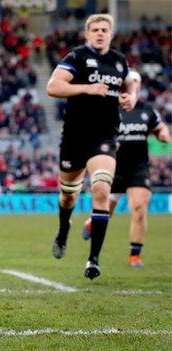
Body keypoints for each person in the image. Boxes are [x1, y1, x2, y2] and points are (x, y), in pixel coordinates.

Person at [46, 14, 138, 279]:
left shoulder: (119, 62)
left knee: (100, 190)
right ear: (88, 34)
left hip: (105, 137)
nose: (100, 33)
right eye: (95, 29)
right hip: (74, 139)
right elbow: (53, 87)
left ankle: (93, 259)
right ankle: (64, 230)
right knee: (68, 197)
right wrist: (87, 88)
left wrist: (130, 97)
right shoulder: (76, 57)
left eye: (104, 30)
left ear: (111, 33)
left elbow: (130, 83)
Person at [82, 71, 170, 268]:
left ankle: (134, 256)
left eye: (136, 82)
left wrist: (164, 135)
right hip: (113, 166)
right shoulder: (110, 109)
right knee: (107, 210)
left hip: (139, 167)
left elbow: (160, 128)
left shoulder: (147, 111)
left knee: (139, 208)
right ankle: (92, 222)